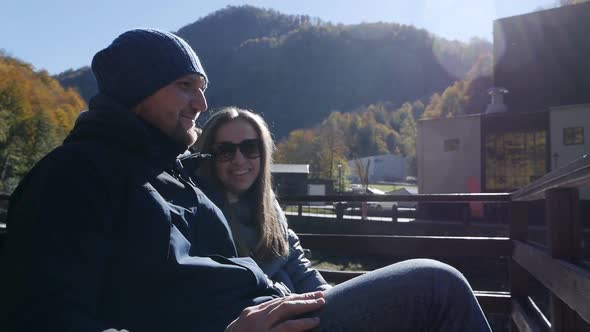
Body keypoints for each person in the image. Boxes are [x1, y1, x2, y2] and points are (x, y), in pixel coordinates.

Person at [0, 28, 491, 332]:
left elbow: (278, 268)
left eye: (202, 88)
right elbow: (41, 319)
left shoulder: (169, 177)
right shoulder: (74, 176)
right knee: (435, 286)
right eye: (184, 86)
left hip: (278, 312)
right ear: (136, 91)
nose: (199, 102)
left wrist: (304, 299)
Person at [194, 107, 330, 294]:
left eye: (250, 147)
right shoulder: (199, 215)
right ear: (208, 157)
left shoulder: (269, 206)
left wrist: (326, 296)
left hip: (299, 310)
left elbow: (298, 266)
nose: (239, 160)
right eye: (225, 151)